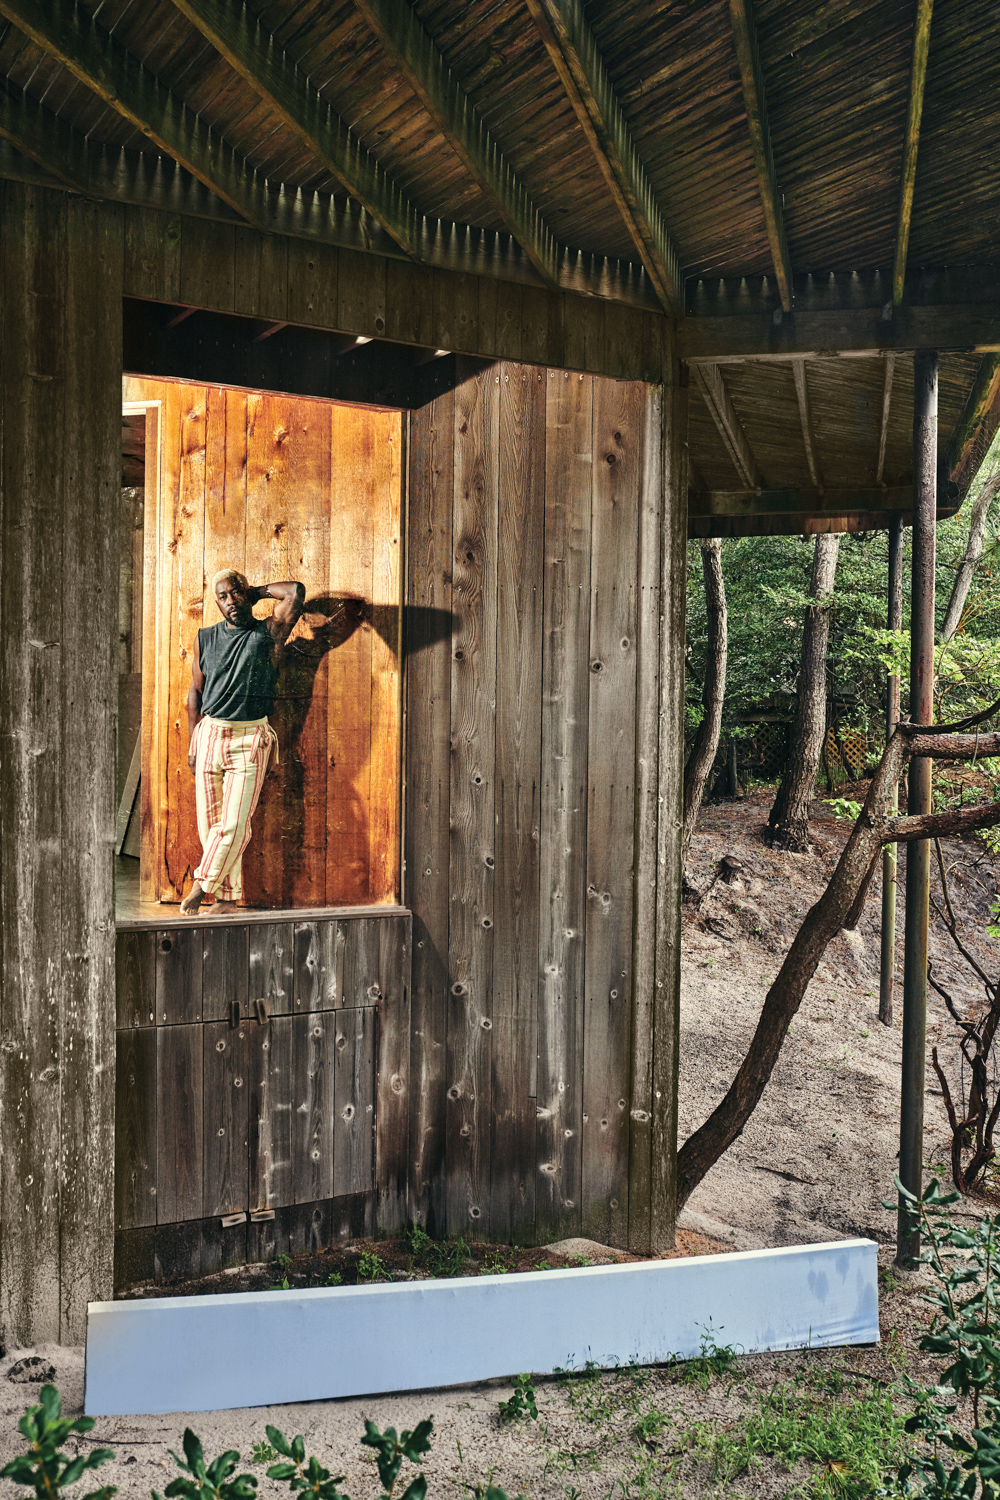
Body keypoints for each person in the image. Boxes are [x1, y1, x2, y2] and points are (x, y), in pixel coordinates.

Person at [179, 568, 305, 915]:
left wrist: (258, 590)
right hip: (208, 735)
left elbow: (295, 592)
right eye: (223, 596)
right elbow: (196, 691)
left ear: (245, 593)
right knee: (212, 829)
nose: (231, 601)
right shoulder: (205, 637)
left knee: (234, 824)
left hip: (249, 738)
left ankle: (201, 885)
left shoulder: (267, 632)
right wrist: (193, 741)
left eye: (236, 593)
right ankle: (227, 900)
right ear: (216, 603)